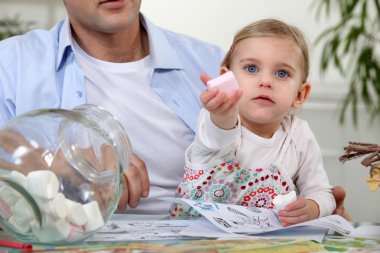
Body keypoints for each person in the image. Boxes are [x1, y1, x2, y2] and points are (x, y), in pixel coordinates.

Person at [0, 1, 350, 218]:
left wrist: (317, 209)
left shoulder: (217, 65)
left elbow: (271, 159)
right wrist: (58, 167)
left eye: (280, 73)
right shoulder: (12, 64)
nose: (264, 79)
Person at [170, 19, 336, 226]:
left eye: (281, 73)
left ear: (300, 94)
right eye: (251, 68)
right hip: (197, 238)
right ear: (227, 78)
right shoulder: (216, 121)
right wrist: (223, 109)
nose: (265, 81)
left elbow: (323, 193)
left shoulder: (298, 135)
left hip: (264, 242)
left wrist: (312, 207)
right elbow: (220, 133)